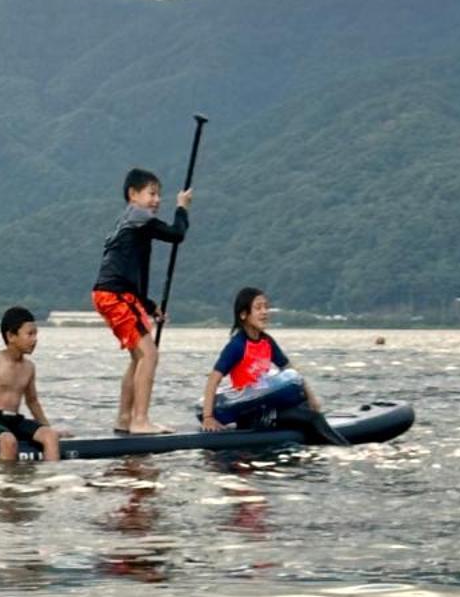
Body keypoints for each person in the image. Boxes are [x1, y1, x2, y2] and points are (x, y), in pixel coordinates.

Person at [92, 166, 191, 435]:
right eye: (151, 193)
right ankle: (140, 420)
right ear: (133, 194)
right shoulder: (138, 217)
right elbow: (176, 235)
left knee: (138, 358)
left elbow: (132, 271)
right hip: (115, 295)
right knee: (149, 355)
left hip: (115, 293)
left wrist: (148, 306)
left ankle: (124, 419)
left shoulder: (132, 222)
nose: (157, 200)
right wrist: (182, 208)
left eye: (159, 194)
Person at [202, 288, 348, 444]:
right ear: (244, 314)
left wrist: (312, 400)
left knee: (305, 406)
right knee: (313, 418)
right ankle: (345, 448)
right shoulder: (237, 345)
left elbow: (292, 371)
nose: (264, 312)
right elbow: (213, 380)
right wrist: (208, 418)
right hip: (252, 413)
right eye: (258, 308)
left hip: (269, 406)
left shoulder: (267, 342)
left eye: (266, 307)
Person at [0, 305, 61, 462]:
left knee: (51, 436)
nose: (34, 339)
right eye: (29, 334)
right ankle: (6, 484)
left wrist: (47, 427)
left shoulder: (29, 367)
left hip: (13, 419)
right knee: (9, 441)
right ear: (10, 336)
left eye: (35, 334)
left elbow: (32, 401)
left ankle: (51, 481)